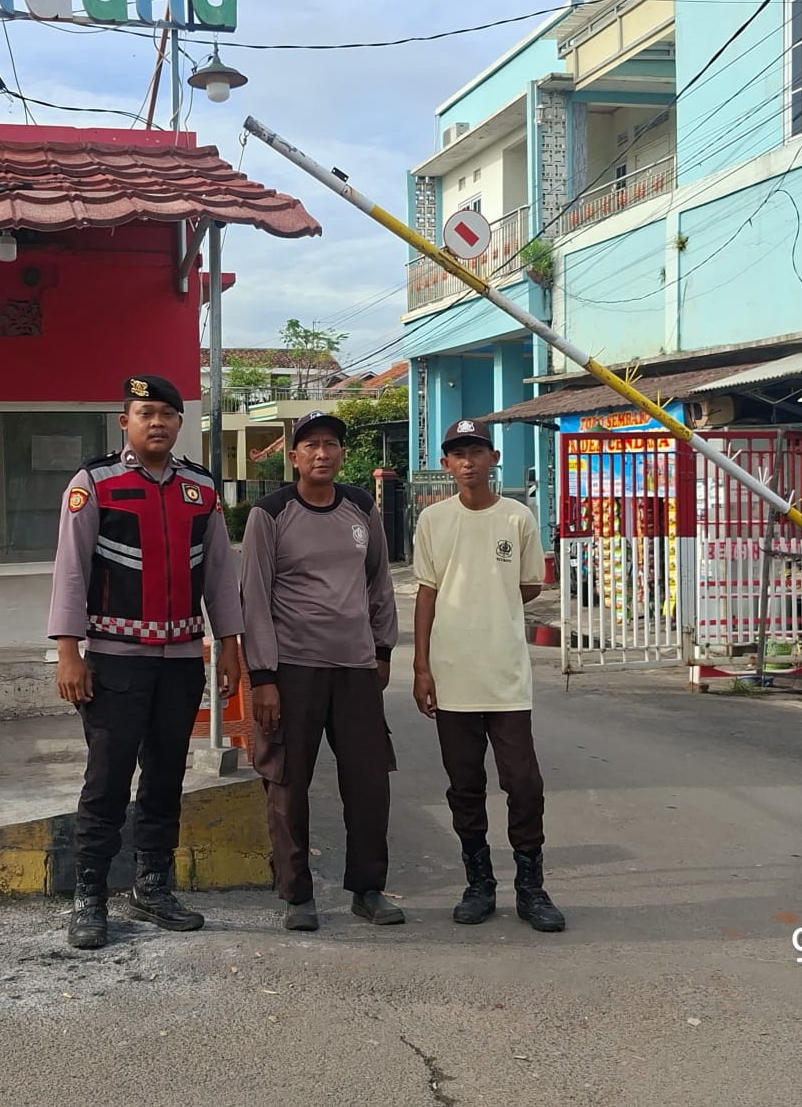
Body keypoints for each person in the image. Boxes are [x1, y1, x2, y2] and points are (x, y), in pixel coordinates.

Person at [48, 374, 243, 950]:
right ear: (124, 422)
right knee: (107, 779)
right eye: (145, 412)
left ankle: (152, 887)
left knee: (165, 775)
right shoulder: (94, 483)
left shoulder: (201, 488)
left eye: (167, 413)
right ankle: (89, 896)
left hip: (181, 660)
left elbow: (220, 573)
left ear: (181, 422)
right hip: (114, 662)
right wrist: (68, 652)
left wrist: (230, 645)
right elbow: (71, 570)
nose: (157, 422)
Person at [240, 411, 404, 931]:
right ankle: (297, 894)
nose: (322, 453)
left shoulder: (361, 507)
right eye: (310, 445)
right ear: (294, 457)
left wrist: (382, 649)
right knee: (288, 782)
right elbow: (254, 598)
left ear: (341, 454)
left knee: (369, 781)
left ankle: (368, 889)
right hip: (293, 670)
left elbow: (378, 582)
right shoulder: (270, 513)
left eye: (330, 444)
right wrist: (262, 677)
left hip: (355, 668)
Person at [412, 417, 566, 933]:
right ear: (446, 463)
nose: (468, 461)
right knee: (464, 784)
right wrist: (421, 665)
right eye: (458, 453)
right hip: (451, 673)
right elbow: (427, 592)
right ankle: (478, 882)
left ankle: (531, 886)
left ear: (493, 459)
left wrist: (490, 604)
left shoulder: (517, 517)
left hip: (505, 674)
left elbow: (529, 584)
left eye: (477, 451)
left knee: (523, 782)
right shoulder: (433, 520)